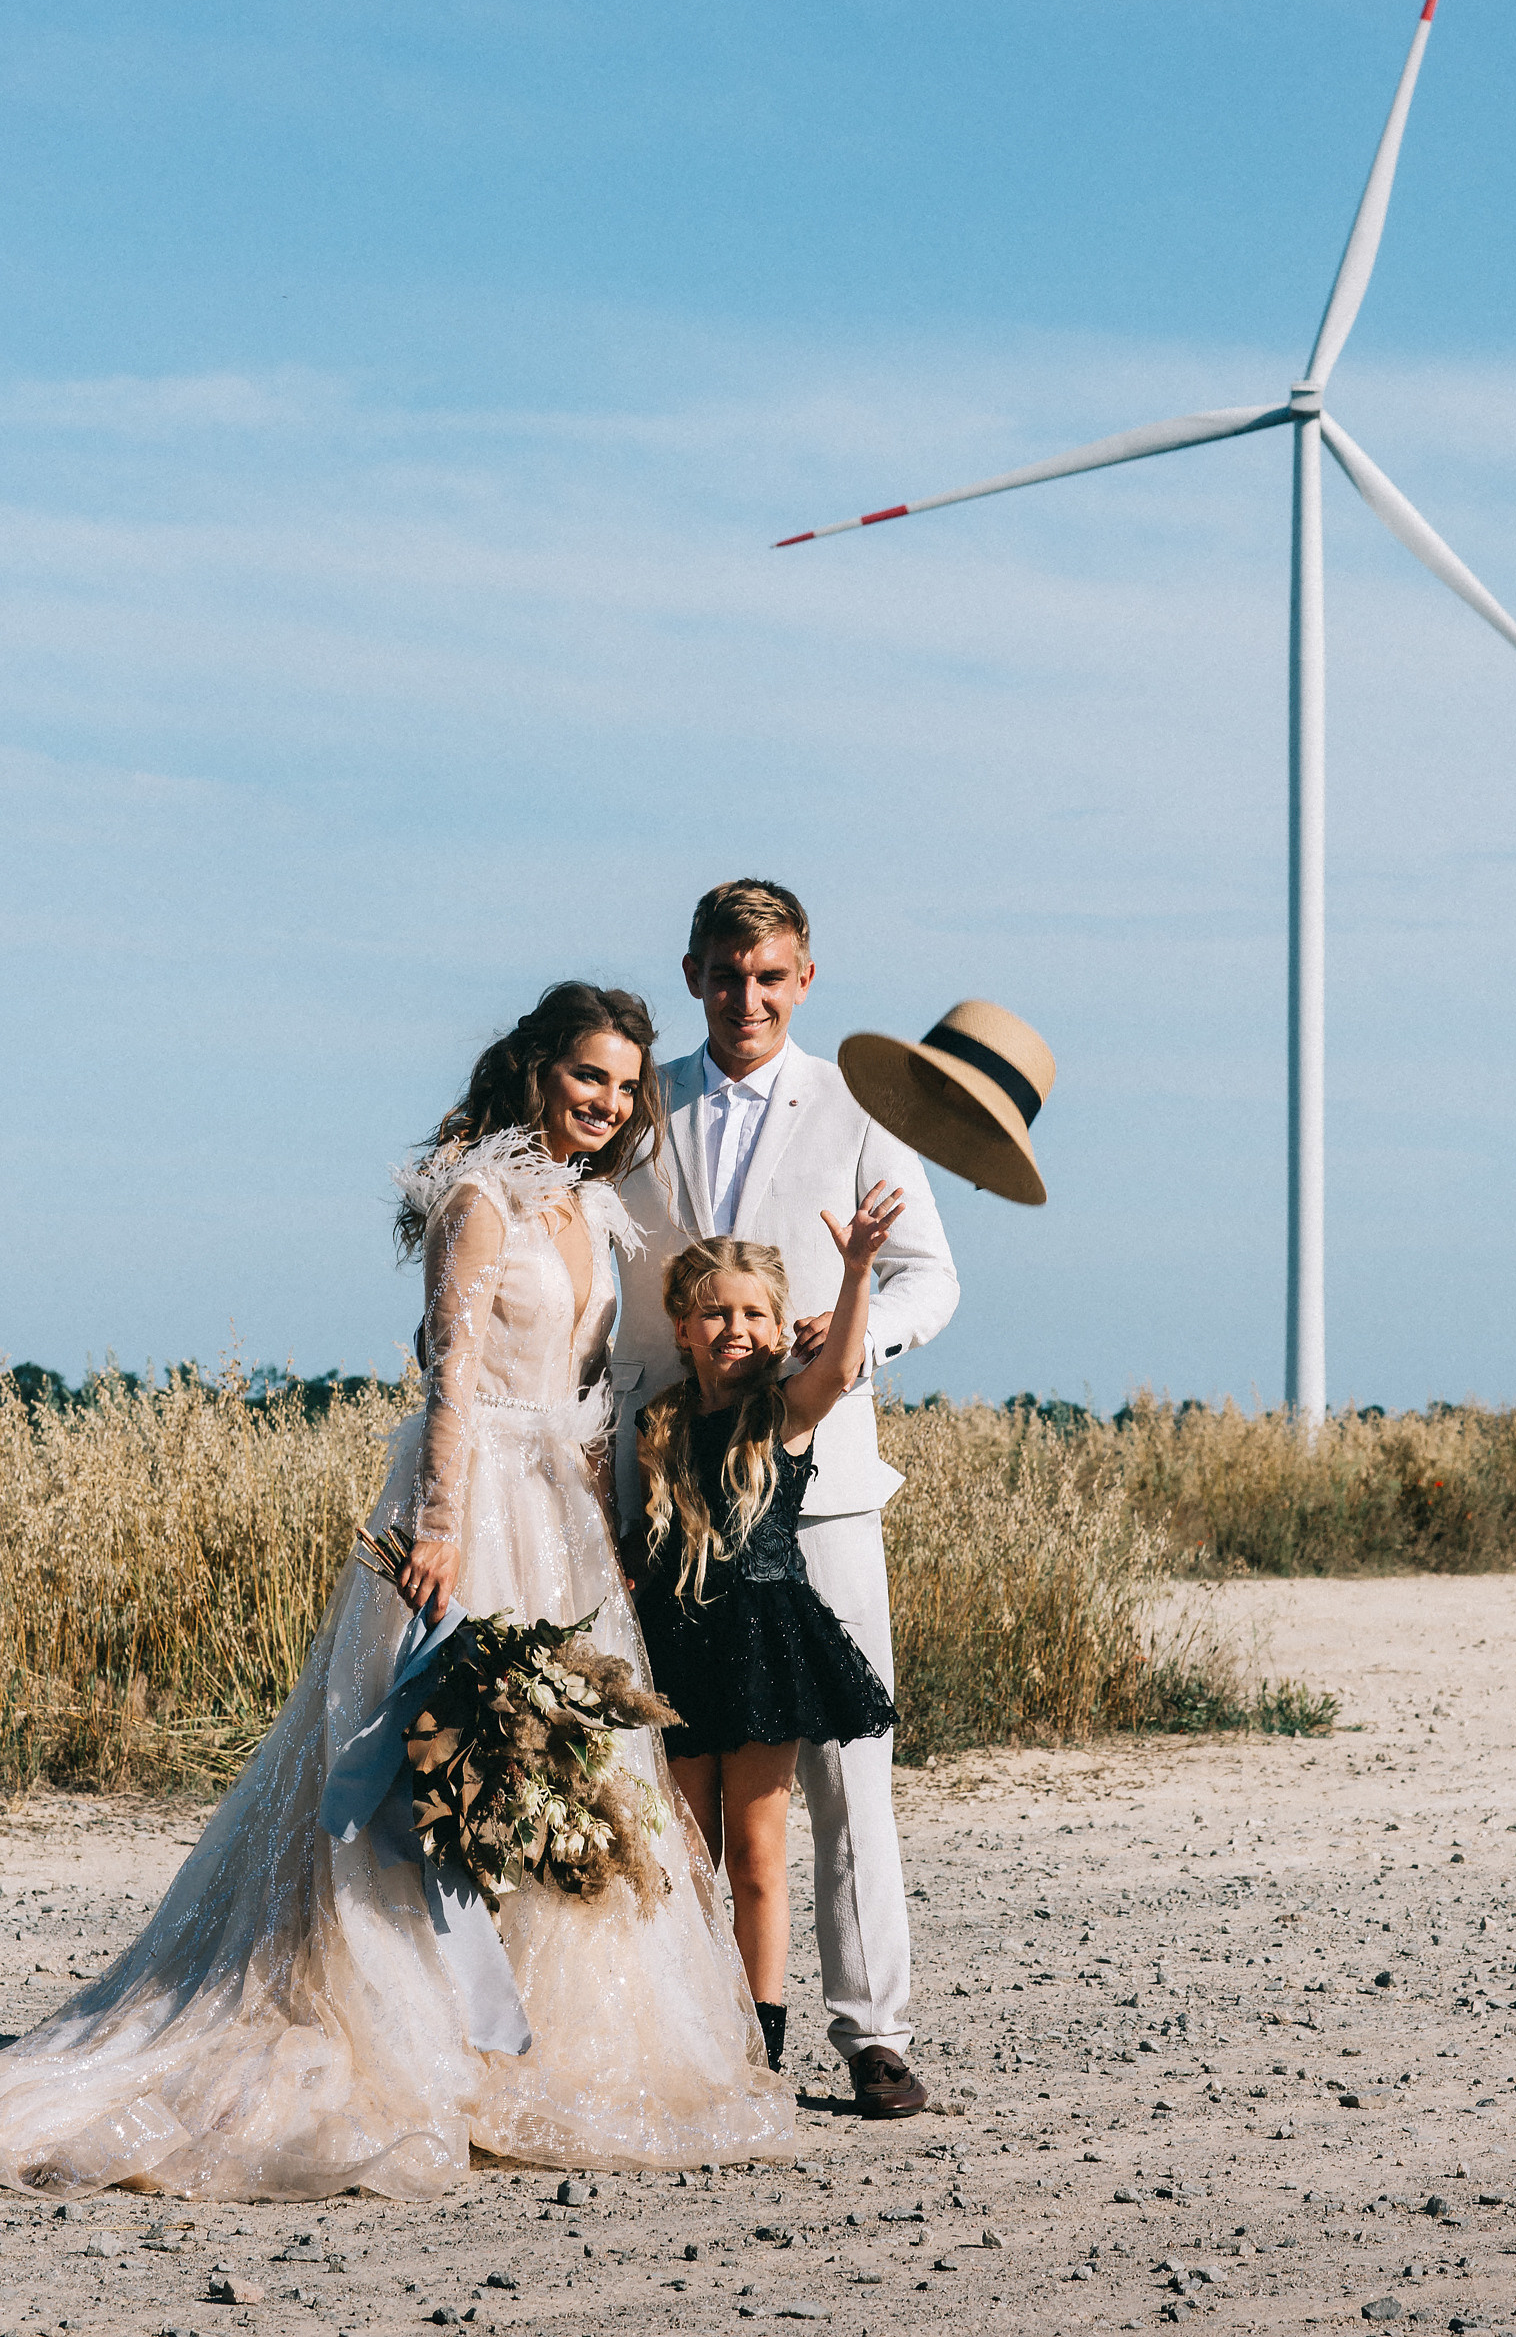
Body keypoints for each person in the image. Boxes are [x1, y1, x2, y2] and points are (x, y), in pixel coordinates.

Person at [0, 984, 794, 2199]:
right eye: (588, 1075)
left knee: (560, 1768)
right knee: (429, 1759)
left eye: (627, 1085)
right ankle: (409, 2014)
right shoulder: (478, 1201)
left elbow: (587, 1400)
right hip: (471, 1502)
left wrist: (605, 1528)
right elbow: (452, 1373)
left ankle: (533, 2030)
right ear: (537, 1071)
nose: (608, 1101)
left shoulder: (592, 1210)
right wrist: (437, 1527)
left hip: (560, 1518)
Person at [613, 879, 959, 2121]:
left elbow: (928, 1279)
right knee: (674, 1783)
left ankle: (873, 2033)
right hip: (662, 1491)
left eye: (768, 977)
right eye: (724, 975)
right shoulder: (638, 1104)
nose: (745, 998)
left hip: (819, 1487)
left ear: (803, 978)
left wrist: (851, 1344)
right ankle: (695, 2032)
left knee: (848, 1773)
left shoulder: (862, 1107)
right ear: (692, 975)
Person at [625, 1208, 902, 2078]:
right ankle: (688, 2030)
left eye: (753, 1314)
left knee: (754, 1856)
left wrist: (856, 1272)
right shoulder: (658, 1423)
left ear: (780, 1329)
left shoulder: (782, 1414)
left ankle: (759, 2047)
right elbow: (644, 1543)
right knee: (686, 1855)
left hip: (762, 1647)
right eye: (714, 1312)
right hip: (679, 1643)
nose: (735, 1329)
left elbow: (843, 1367)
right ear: (682, 1326)